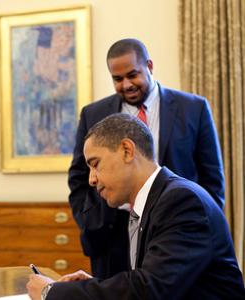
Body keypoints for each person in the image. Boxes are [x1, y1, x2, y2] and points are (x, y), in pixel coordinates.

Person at [27, 114, 244, 300]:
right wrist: (91, 286)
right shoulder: (155, 201)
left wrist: (52, 292)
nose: (91, 179)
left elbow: (148, 291)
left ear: (127, 150)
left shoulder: (182, 201)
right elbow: (153, 283)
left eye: (95, 164)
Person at [68, 38, 225, 278]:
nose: (126, 84)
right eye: (117, 79)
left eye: (133, 75)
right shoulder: (93, 113)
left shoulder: (193, 108)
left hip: (172, 227)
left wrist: (197, 226)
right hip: (110, 233)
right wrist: (91, 222)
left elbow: (211, 178)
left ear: (149, 66)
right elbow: (79, 176)